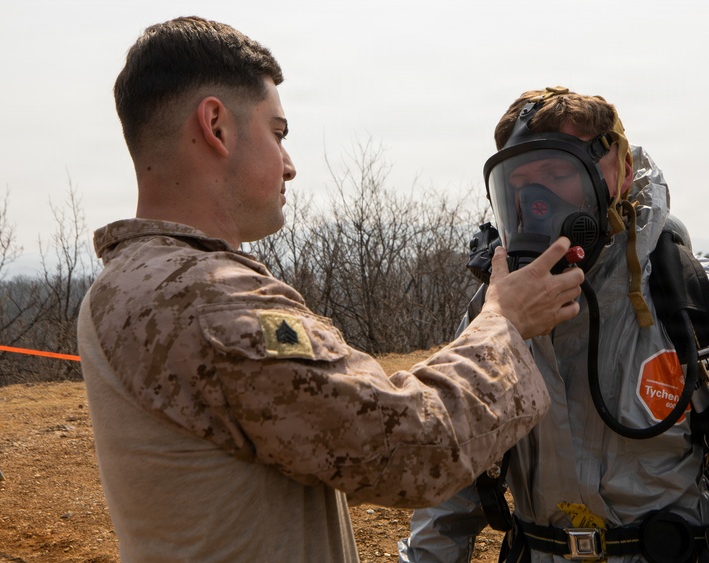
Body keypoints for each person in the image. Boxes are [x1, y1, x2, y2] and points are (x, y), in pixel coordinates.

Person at [76, 18, 586, 562]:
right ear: (216, 126)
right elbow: (409, 445)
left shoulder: (123, 283)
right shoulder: (203, 298)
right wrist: (503, 324)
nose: (290, 166)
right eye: (277, 133)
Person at [398, 87, 709, 562]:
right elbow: (449, 489)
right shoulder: (492, 319)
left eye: (556, 174)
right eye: (519, 182)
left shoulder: (707, 304)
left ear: (621, 173)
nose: (537, 200)